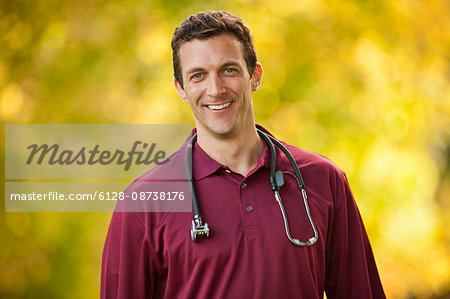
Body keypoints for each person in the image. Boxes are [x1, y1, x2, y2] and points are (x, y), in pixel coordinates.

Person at [101, 10, 386, 298]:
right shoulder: (144, 202)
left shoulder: (323, 180)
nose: (215, 89)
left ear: (255, 76)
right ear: (181, 89)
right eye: (198, 75)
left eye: (229, 70)